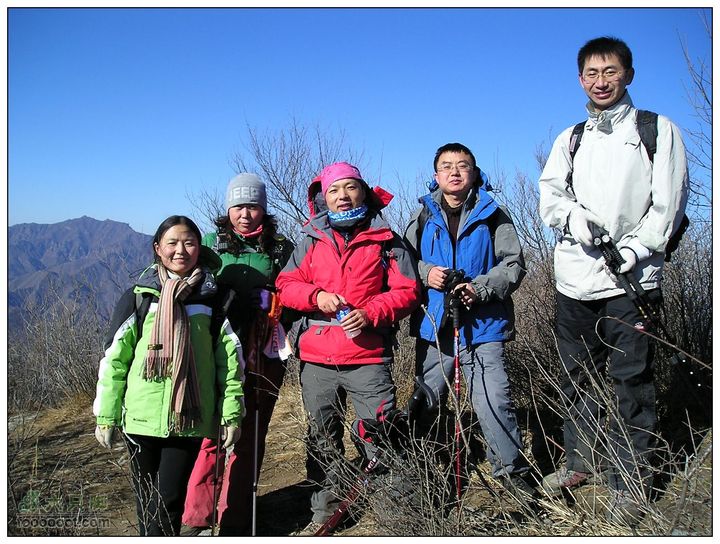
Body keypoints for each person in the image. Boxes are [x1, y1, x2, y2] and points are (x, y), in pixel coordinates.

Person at [538, 36, 688, 524]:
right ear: (580, 79)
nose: (601, 81)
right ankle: (580, 462)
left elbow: (668, 205)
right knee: (576, 377)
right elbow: (550, 197)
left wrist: (635, 248)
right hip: (574, 280)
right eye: (591, 73)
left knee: (631, 380)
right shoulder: (571, 138)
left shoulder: (656, 130)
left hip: (632, 282)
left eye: (610, 71)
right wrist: (574, 218)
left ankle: (632, 482)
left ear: (628, 75)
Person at [275, 161, 420, 535]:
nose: (342, 196)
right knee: (322, 437)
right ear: (324, 197)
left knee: (382, 433)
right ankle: (326, 510)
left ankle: (395, 512)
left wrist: (370, 313)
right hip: (316, 357)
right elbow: (286, 286)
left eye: (350, 187)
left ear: (364, 192)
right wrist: (316, 296)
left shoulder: (386, 240)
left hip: (368, 355)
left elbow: (407, 291)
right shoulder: (311, 240)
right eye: (334, 190)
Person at [93, 215, 245, 536]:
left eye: (189, 243)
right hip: (139, 416)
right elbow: (115, 359)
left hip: (188, 416)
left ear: (200, 248)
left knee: (169, 500)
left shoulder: (216, 298)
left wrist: (231, 414)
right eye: (172, 243)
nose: (180, 250)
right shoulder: (140, 296)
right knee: (147, 500)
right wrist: (106, 415)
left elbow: (230, 364)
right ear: (157, 248)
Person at [403, 142, 535, 499]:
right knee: (425, 400)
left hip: (483, 326)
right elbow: (403, 262)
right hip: (435, 326)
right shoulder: (422, 215)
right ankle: (421, 471)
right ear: (436, 175)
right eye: (446, 166)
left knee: (493, 400)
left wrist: (479, 289)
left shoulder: (494, 213)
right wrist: (427, 273)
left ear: (474, 173)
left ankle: (511, 475)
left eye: (463, 165)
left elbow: (513, 264)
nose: (455, 172)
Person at [182, 173, 295, 536]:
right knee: (212, 431)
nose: (245, 214)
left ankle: (235, 517)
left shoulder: (281, 249)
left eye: (253, 207)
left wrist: (272, 301)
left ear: (264, 209)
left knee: (250, 435)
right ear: (228, 208)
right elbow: (186, 281)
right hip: (216, 349)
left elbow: (295, 293)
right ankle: (196, 516)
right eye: (238, 206)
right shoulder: (209, 245)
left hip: (264, 349)